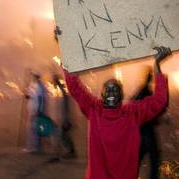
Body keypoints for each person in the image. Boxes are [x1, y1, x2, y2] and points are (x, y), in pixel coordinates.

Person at [62, 46, 171, 179]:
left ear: (122, 95)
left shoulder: (133, 113)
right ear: (102, 95)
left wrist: (157, 64)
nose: (111, 93)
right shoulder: (94, 109)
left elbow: (159, 101)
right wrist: (66, 46)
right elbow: (75, 87)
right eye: (108, 89)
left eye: (115, 90)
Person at [133, 69, 161, 179]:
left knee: (139, 158)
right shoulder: (147, 93)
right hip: (146, 131)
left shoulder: (139, 92)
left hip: (140, 130)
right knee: (154, 159)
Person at [53, 74, 77, 159]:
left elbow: (64, 92)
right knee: (64, 135)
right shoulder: (64, 97)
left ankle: (71, 152)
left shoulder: (66, 97)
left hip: (66, 119)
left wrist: (59, 83)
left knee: (64, 135)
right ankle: (70, 151)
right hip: (65, 118)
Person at [23, 71, 47, 153]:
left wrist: (40, 110)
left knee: (35, 128)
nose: (33, 77)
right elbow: (30, 95)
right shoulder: (32, 84)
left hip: (36, 110)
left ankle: (35, 147)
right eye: (33, 76)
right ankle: (31, 146)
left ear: (37, 77)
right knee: (31, 128)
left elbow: (41, 99)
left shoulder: (40, 87)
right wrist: (27, 95)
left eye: (35, 76)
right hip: (31, 109)